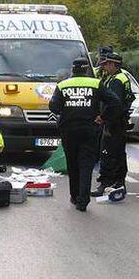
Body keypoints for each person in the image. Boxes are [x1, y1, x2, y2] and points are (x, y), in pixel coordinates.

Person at [49, 58, 121, 211]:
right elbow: (115, 102)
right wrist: (102, 117)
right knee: (86, 164)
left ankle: (75, 196)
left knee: (73, 164)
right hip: (90, 130)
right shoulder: (95, 84)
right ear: (87, 69)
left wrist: (67, 109)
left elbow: (54, 107)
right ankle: (83, 200)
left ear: (73, 69)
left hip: (69, 131)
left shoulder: (63, 85)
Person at [91, 53, 135, 197]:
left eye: (105, 64)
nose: (103, 66)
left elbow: (114, 104)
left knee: (107, 153)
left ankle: (105, 183)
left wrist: (103, 118)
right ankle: (119, 182)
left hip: (113, 122)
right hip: (119, 121)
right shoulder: (120, 77)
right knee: (118, 153)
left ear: (112, 64)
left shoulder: (116, 81)